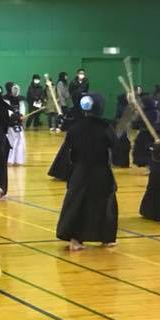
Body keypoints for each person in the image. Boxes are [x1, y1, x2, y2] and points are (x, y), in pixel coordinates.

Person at [55, 94, 118, 251]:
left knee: (77, 204)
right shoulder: (105, 127)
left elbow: (68, 150)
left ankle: (75, 240)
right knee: (105, 204)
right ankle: (106, 237)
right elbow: (116, 147)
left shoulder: (75, 126)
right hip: (100, 171)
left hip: (80, 171)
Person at [5, 82, 26, 166]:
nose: (15, 90)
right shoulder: (5, 99)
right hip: (10, 124)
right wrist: (15, 116)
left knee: (20, 141)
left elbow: (22, 108)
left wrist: (22, 115)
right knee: (11, 141)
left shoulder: (20, 99)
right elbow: (8, 111)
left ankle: (18, 160)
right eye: (13, 88)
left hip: (18, 124)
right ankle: (9, 160)